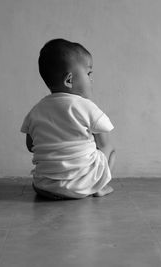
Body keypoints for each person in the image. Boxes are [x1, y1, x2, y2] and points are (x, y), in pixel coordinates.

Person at [20, 38, 116, 199]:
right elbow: (104, 144)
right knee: (110, 151)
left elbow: (31, 146)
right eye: (88, 73)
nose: (91, 79)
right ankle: (100, 186)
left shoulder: (36, 110)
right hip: (80, 187)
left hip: (44, 186)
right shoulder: (87, 107)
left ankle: (60, 186)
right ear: (69, 80)